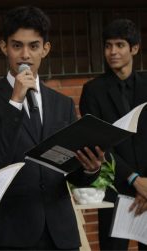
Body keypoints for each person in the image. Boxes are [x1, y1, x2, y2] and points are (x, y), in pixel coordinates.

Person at [0, 6, 105, 250]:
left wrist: (90, 169)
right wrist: (16, 101)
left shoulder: (62, 103)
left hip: (60, 232)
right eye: (17, 45)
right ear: (4, 47)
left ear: (45, 48)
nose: (25, 55)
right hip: (13, 232)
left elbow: (70, 169)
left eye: (33, 46)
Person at [79, 19, 147, 250]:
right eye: (108, 46)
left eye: (119, 45)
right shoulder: (93, 90)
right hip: (115, 188)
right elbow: (98, 144)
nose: (113, 52)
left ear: (134, 48)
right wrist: (135, 180)